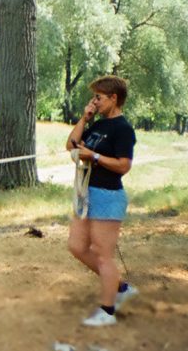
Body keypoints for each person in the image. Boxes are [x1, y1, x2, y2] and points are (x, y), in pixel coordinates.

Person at [65, 75, 137, 327]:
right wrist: (85, 118)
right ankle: (120, 287)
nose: (94, 101)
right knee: (76, 246)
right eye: (93, 97)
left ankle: (107, 312)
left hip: (108, 196)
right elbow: (70, 145)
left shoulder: (123, 129)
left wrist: (94, 156)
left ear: (113, 98)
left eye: (98, 97)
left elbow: (124, 166)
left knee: (104, 255)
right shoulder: (96, 125)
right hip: (87, 194)